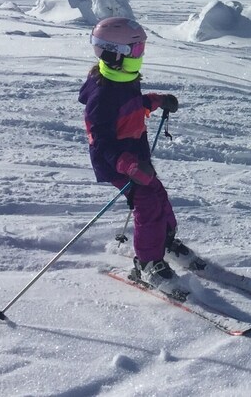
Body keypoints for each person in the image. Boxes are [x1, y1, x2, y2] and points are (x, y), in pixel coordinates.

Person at [79, 17, 184, 293]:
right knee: (147, 202)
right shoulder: (102, 96)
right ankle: (147, 263)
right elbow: (101, 142)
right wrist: (128, 165)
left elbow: (132, 106)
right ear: (115, 54)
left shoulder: (122, 78)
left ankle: (164, 240)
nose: (141, 55)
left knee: (158, 194)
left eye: (141, 49)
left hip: (135, 157)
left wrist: (157, 101)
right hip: (118, 163)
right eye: (136, 50)